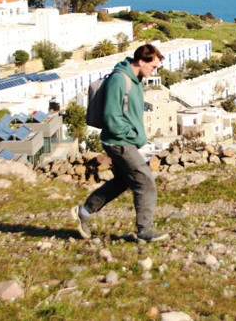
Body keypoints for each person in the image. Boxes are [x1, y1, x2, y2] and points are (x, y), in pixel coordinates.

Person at [72, 44, 168, 244]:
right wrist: (132, 135)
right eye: (153, 66)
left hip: (124, 141)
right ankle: (144, 231)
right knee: (145, 180)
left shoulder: (136, 80)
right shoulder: (119, 80)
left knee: (123, 181)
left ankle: (84, 211)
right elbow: (111, 116)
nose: (154, 71)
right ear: (141, 61)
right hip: (119, 142)